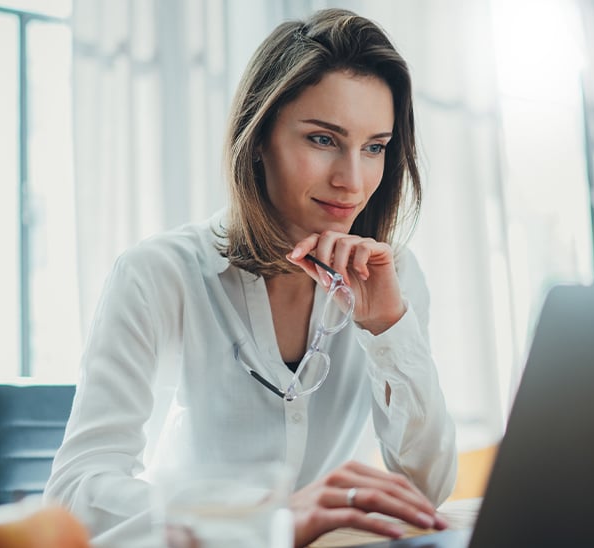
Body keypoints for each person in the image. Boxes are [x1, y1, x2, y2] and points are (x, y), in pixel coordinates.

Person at [44, 8, 457, 547]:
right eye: (323, 140)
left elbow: (426, 488)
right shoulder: (159, 272)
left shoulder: (390, 277)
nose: (352, 181)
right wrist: (260, 521)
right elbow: (75, 490)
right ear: (258, 138)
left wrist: (386, 327)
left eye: (374, 147)